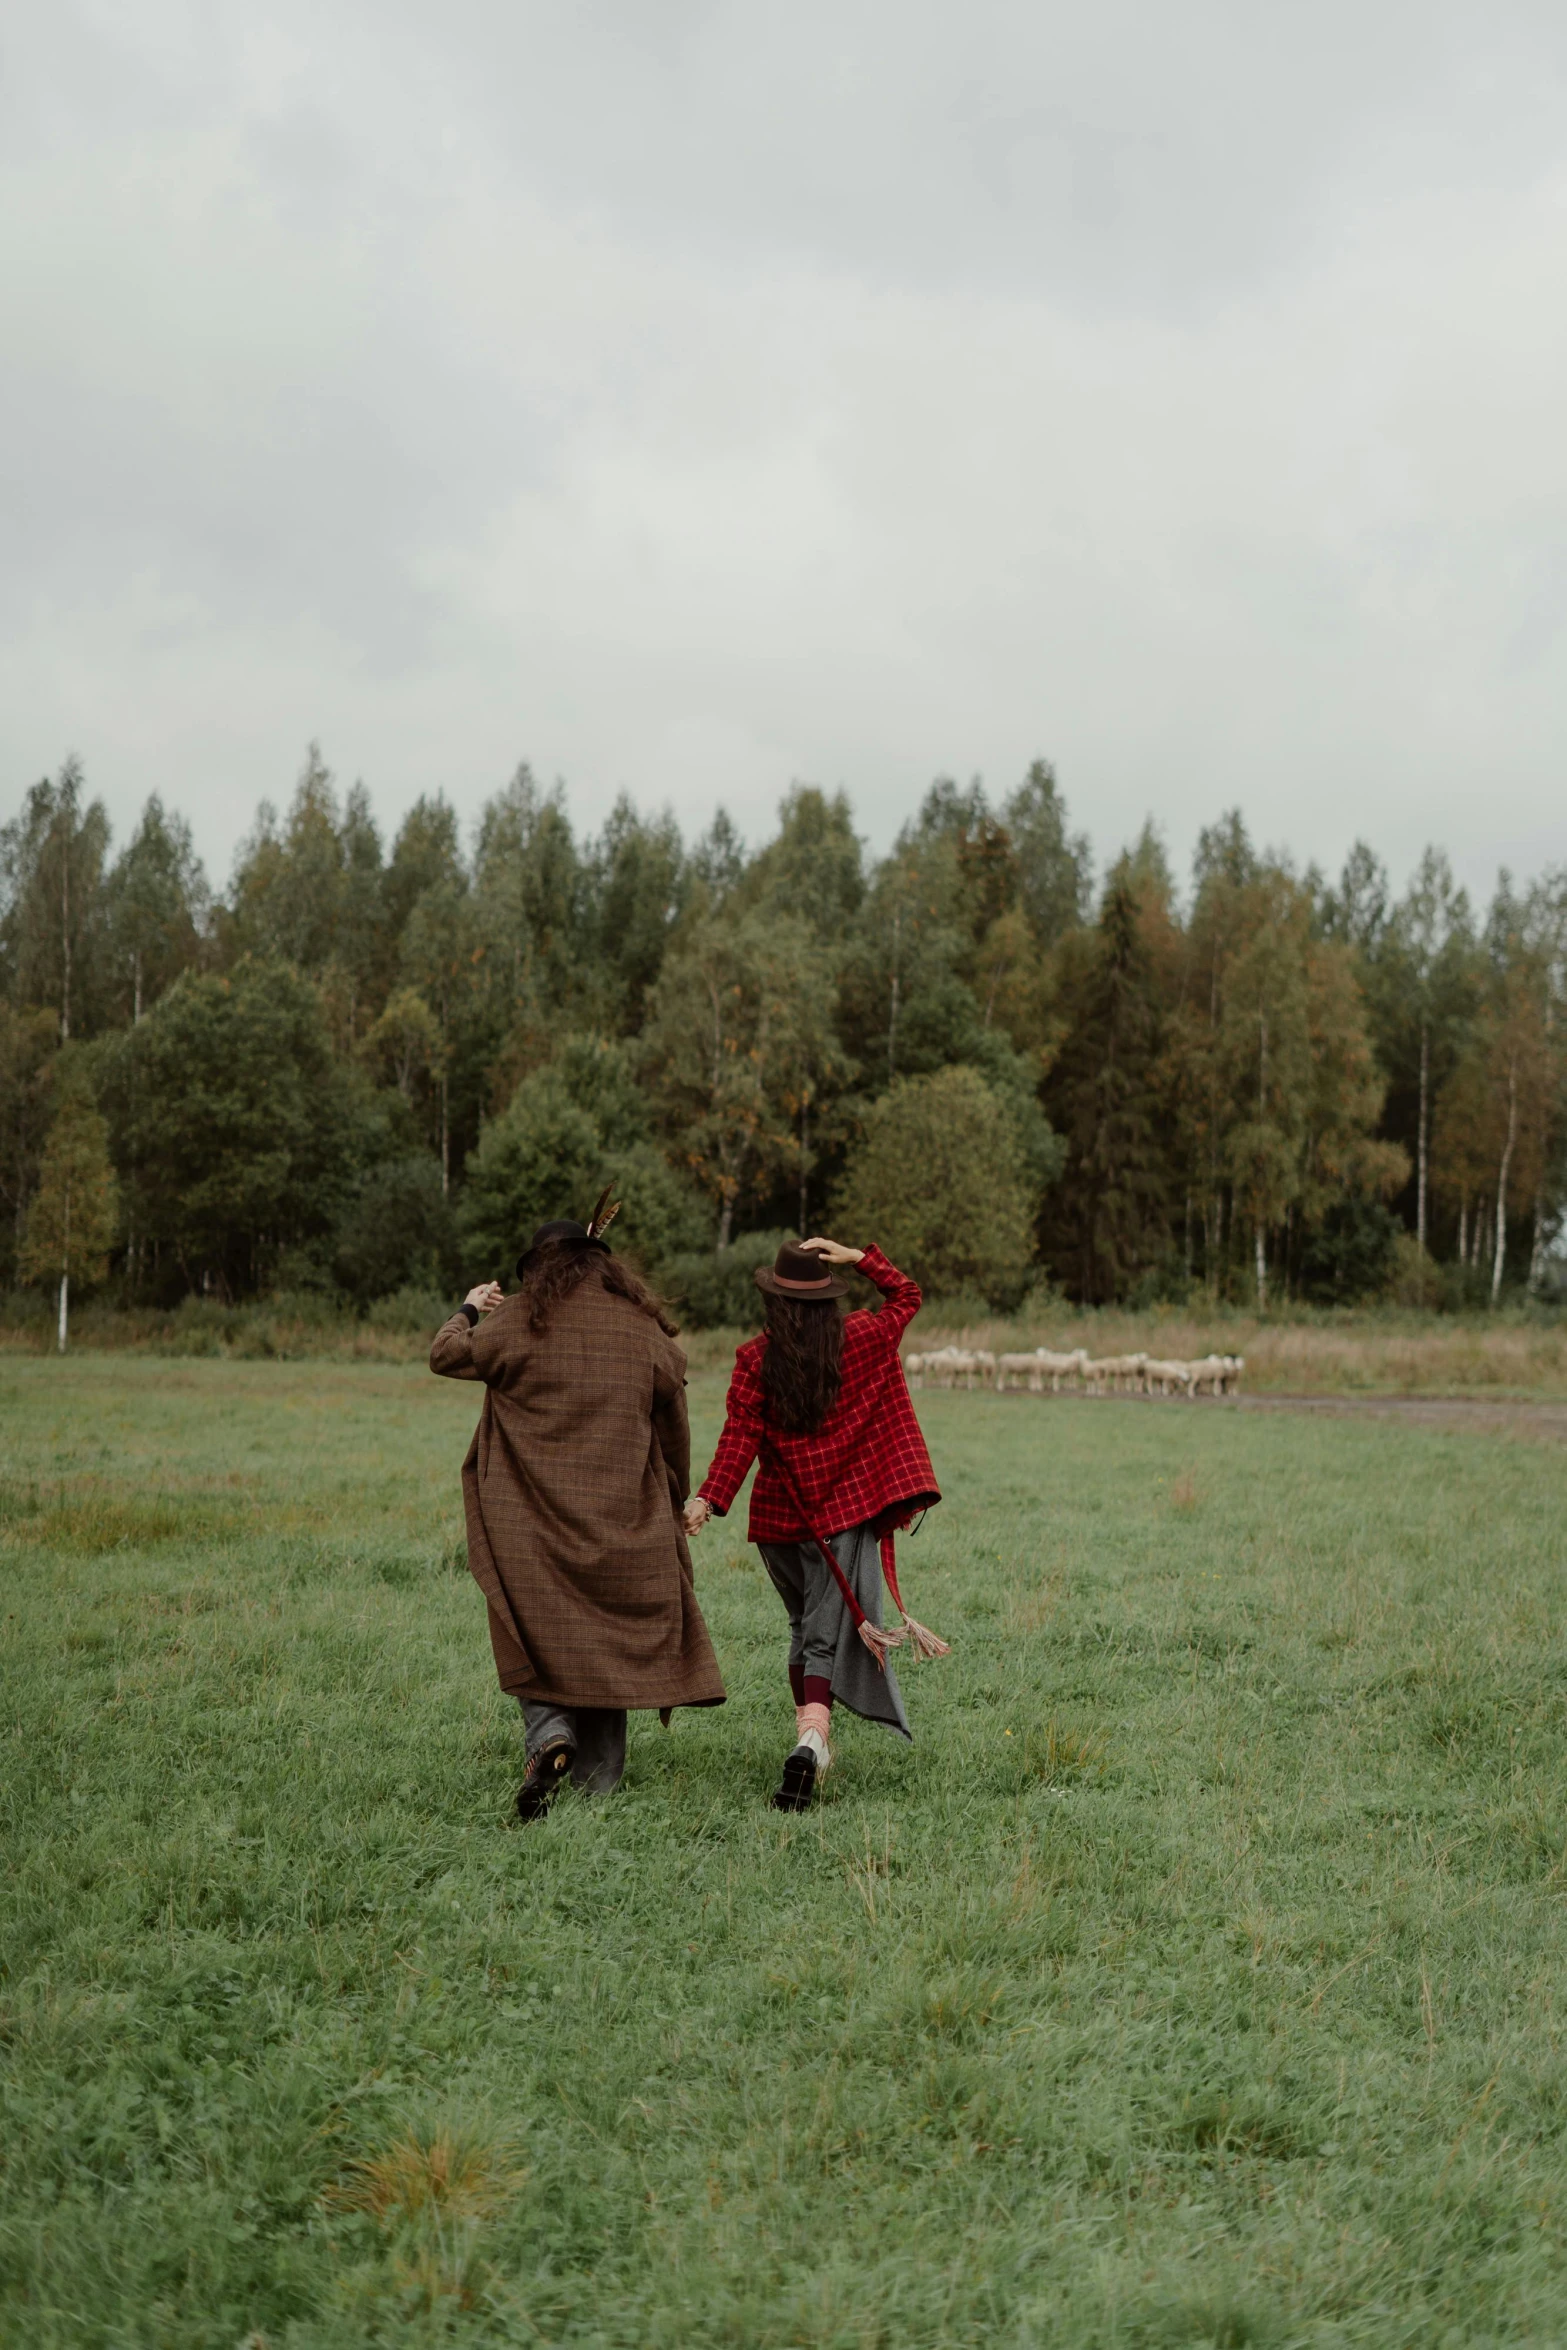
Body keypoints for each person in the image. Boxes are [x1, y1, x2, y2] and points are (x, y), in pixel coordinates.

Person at [430, 1210, 725, 1821]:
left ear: (537, 1270)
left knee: (537, 1626)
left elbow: (444, 1354)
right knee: (604, 1640)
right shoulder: (641, 1329)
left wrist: (469, 1307)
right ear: (601, 1264)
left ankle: (548, 1735)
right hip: (622, 1517)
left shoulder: (515, 1321)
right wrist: (673, 1496)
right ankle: (598, 1787)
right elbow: (674, 1415)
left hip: (526, 1518)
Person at [685, 1235, 944, 1812]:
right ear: (827, 1297)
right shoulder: (864, 1337)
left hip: (781, 1523)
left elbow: (739, 1437)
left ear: (775, 1300)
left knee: (804, 1629)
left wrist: (708, 1499)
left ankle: (810, 1739)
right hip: (841, 1517)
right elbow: (907, 1294)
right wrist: (861, 1258)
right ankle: (811, 1743)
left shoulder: (756, 1357)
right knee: (823, 1638)